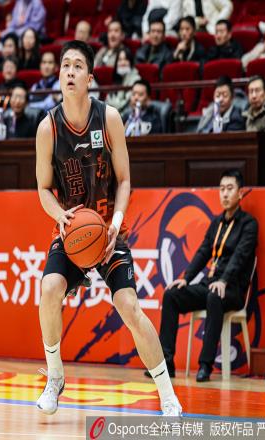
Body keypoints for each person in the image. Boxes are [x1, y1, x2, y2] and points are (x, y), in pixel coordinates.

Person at [34, 40, 182, 417]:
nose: (69, 71)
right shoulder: (47, 128)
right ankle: (55, 377)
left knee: (129, 306)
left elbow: (125, 179)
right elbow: (43, 189)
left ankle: (167, 394)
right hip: (73, 229)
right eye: (65, 65)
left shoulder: (109, 118)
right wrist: (60, 216)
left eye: (77, 66)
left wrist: (115, 223)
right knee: (49, 289)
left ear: (90, 77)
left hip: (107, 230)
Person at [153, 169, 257, 382]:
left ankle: (205, 365)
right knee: (172, 295)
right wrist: (186, 278)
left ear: (240, 193)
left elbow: (240, 256)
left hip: (232, 289)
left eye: (230, 189)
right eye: (222, 189)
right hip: (211, 284)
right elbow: (203, 252)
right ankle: (166, 363)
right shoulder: (216, 223)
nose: (225, 193)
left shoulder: (249, 224)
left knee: (214, 296)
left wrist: (224, 280)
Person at [106, 48, 141, 113]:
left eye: (125, 59)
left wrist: (111, 105)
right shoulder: (117, 78)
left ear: (130, 62)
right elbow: (108, 99)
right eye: (120, 60)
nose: (122, 63)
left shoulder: (136, 80)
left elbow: (126, 104)